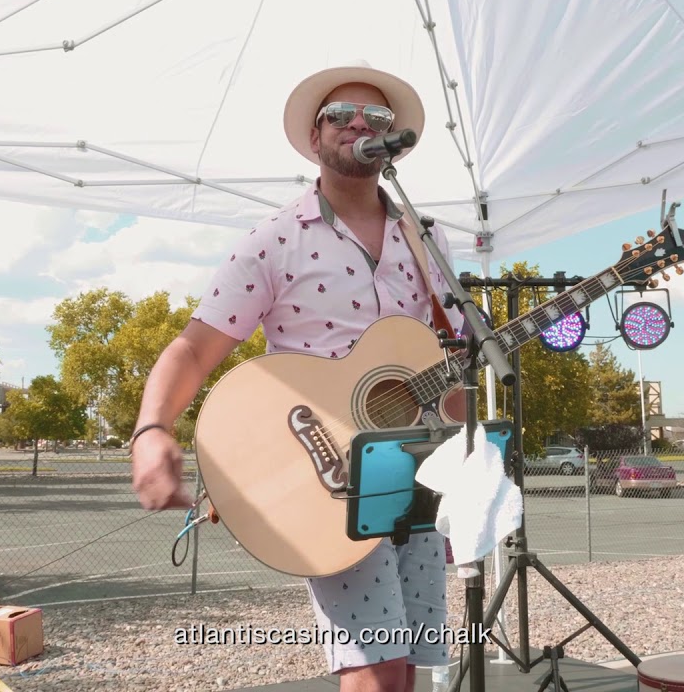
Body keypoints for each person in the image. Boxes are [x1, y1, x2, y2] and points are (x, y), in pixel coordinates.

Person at [131, 62, 459, 692]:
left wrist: (463, 408)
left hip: (416, 465)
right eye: (340, 115)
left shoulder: (428, 236)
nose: (359, 123)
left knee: (411, 661)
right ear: (315, 138)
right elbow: (194, 348)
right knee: (375, 665)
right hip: (325, 473)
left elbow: (449, 356)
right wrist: (152, 429)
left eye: (378, 118)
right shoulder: (272, 241)